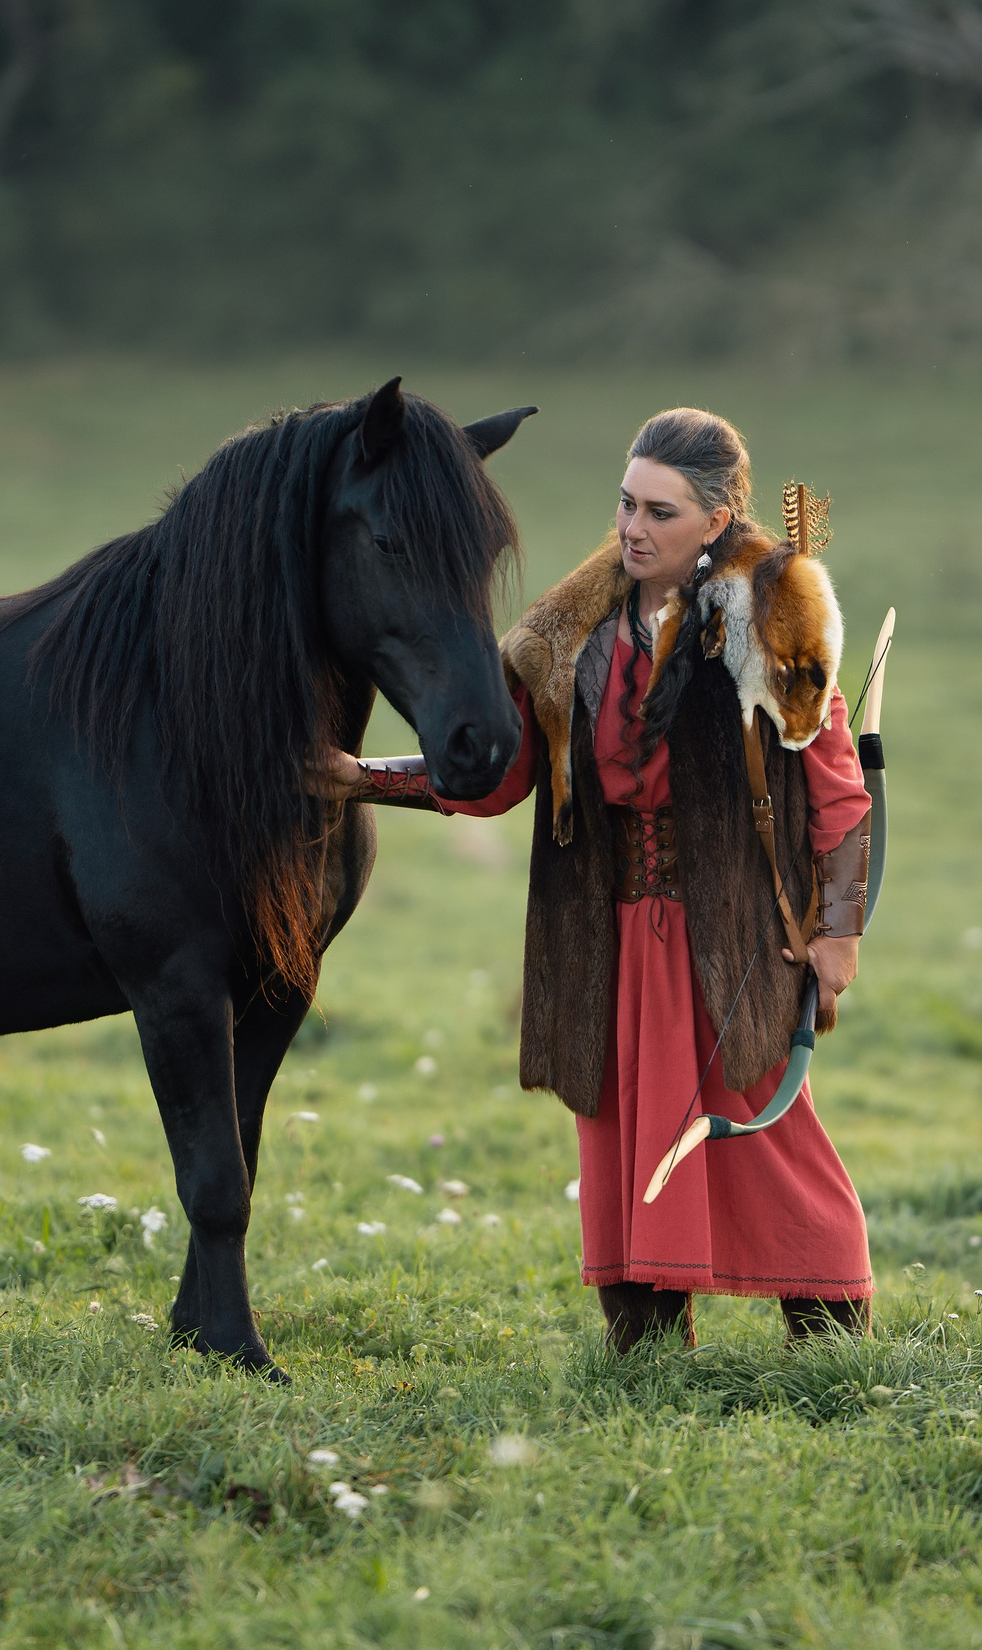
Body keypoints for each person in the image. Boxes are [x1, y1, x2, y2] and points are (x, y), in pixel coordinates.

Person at [318, 408, 874, 1351]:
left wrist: (839, 930)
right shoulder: (566, 635)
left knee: (763, 1128)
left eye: (660, 511)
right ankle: (646, 1338)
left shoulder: (773, 611)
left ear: (717, 516)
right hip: (605, 931)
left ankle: (830, 1332)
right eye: (625, 503)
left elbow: (836, 787)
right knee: (619, 1132)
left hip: (734, 932)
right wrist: (364, 779)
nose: (632, 528)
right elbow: (502, 775)